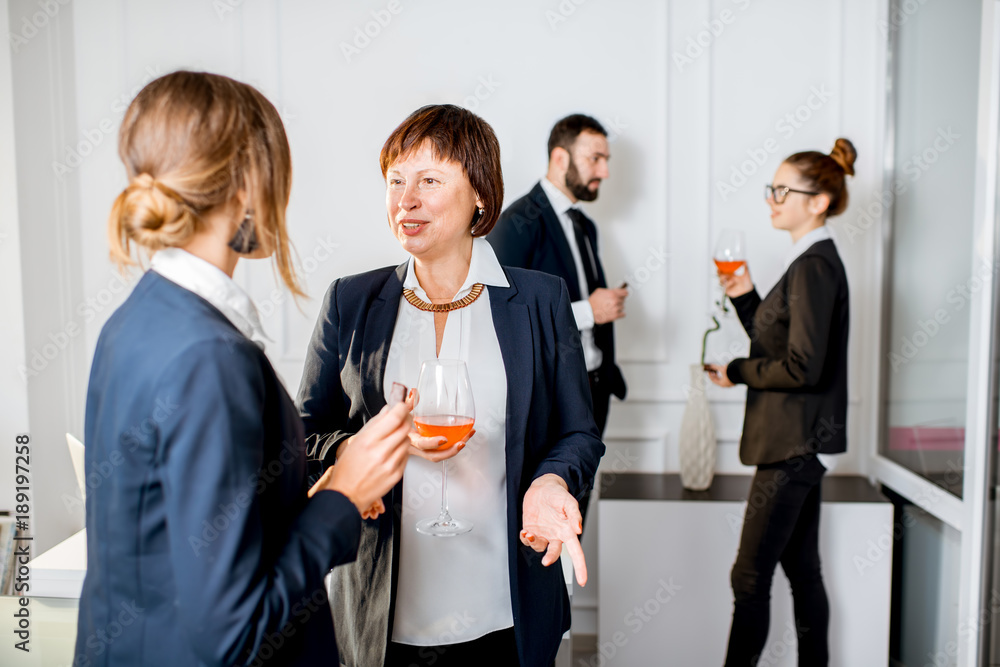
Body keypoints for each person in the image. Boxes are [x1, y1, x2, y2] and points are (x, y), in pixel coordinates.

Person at [75, 71, 412, 667]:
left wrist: (318, 488)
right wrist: (342, 494)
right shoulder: (210, 358)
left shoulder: (133, 321)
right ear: (247, 182)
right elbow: (234, 633)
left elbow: (191, 540)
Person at [297, 104, 604, 667]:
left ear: (480, 196)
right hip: (383, 613)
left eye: (429, 181)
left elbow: (577, 432)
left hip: (504, 607)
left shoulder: (539, 300)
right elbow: (303, 434)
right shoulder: (351, 301)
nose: (405, 200)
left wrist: (552, 483)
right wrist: (357, 452)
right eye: (395, 181)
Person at [705, 138, 856, 666]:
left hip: (794, 443)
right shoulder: (808, 260)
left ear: (817, 201)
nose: (771, 198)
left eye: (782, 190)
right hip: (800, 441)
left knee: (748, 578)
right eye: (771, 188)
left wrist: (735, 370)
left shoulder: (814, 265)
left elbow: (801, 368)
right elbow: (780, 345)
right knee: (802, 570)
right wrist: (746, 294)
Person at [488, 114, 627, 440]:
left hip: (594, 391)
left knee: (584, 491)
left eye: (606, 160)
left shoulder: (585, 225)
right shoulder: (516, 223)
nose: (604, 172)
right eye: (595, 159)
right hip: (550, 400)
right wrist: (589, 312)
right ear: (560, 157)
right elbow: (501, 315)